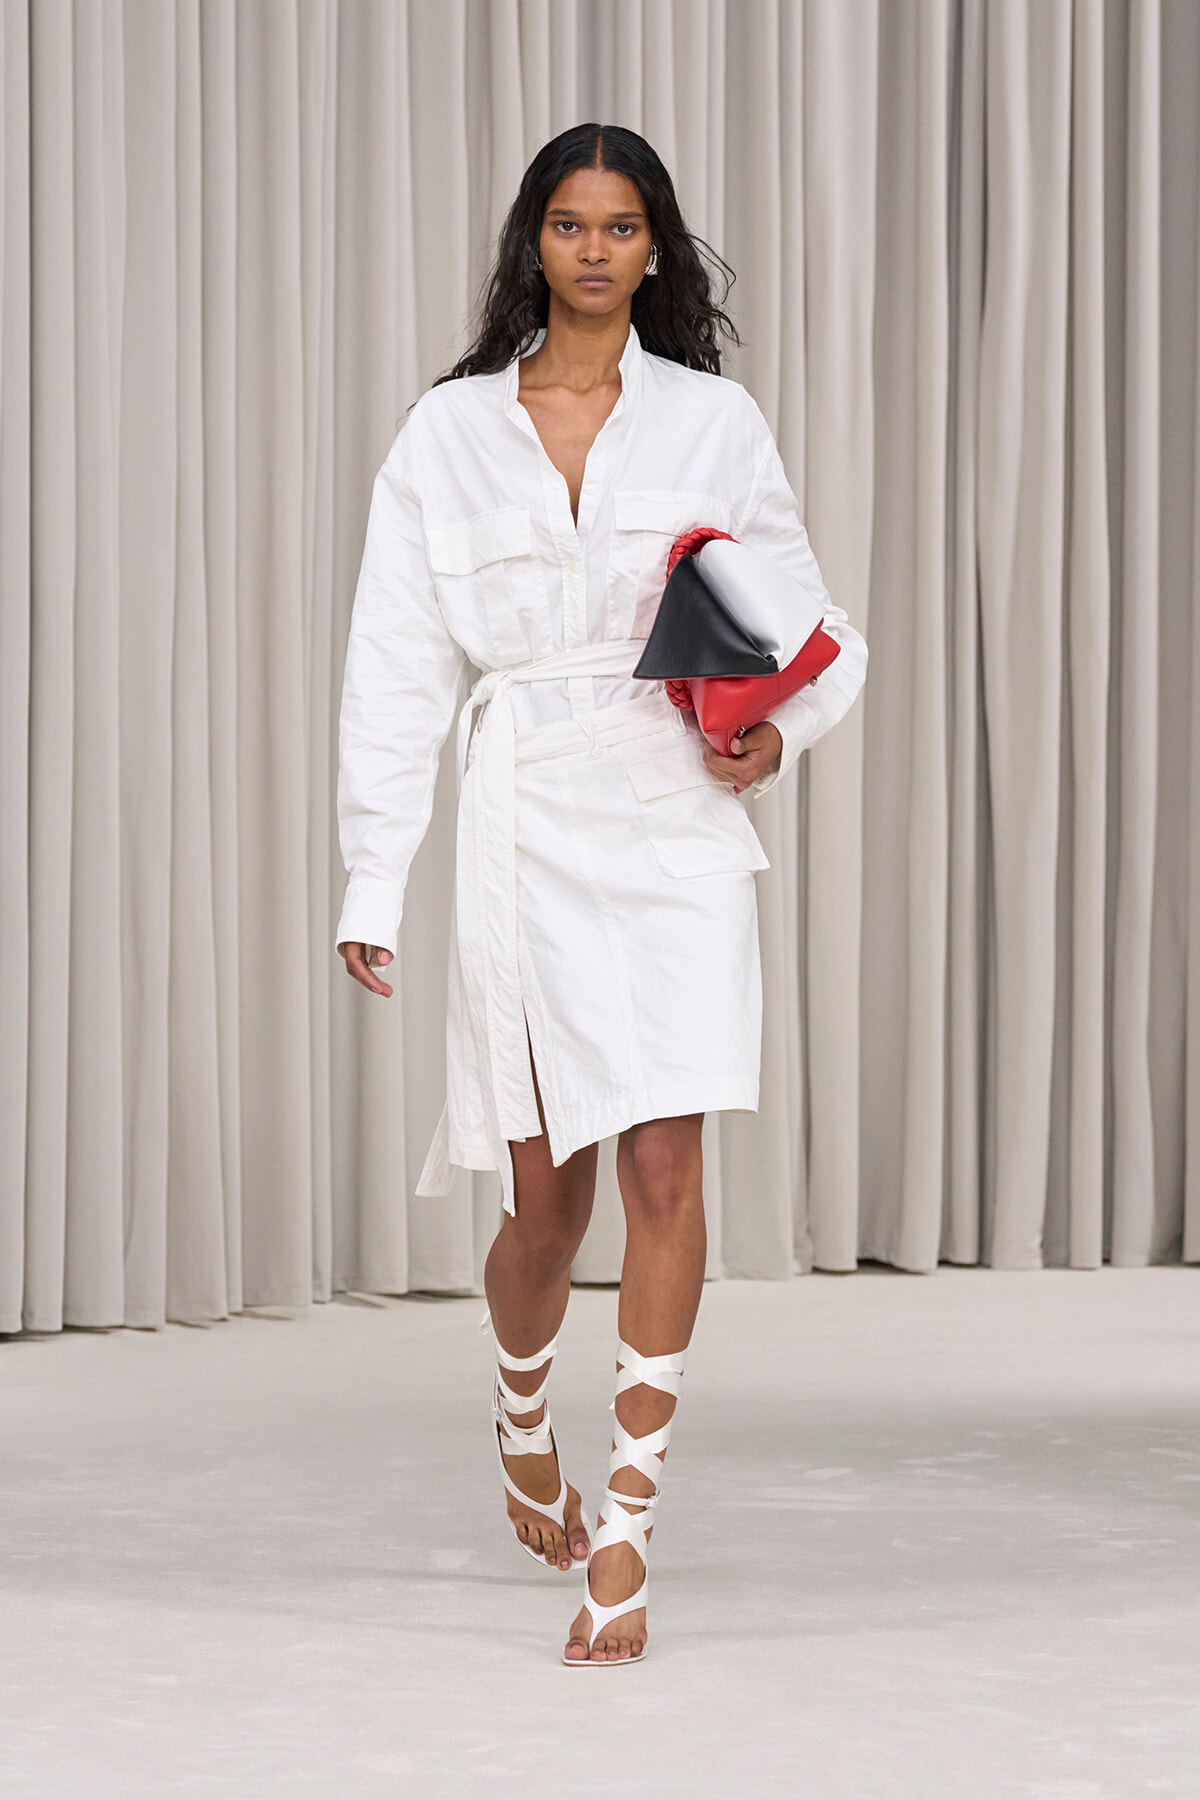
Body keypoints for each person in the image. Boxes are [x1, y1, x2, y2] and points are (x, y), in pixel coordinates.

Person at [334, 122, 867, 1666]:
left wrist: (773, 734)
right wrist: (379, 867)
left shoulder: (714, 422)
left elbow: (800, 609)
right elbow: (393, 663)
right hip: (521, 825)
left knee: (666, 1171)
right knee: (544, 1204)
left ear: (654, 249)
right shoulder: (445, 435)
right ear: (534, 244)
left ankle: (625, 1533)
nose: (592, 250)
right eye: (568, 224)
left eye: (620, 226)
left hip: (671, 817)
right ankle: (517, 1403)